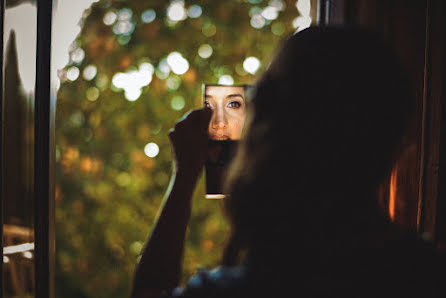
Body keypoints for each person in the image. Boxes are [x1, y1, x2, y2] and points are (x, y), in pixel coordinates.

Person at [131, 26, 445, 298]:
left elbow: (148, 293)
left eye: (255, 103)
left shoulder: (244, 290)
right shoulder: (429, 276)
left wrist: (184, 175)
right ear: (392, 146)